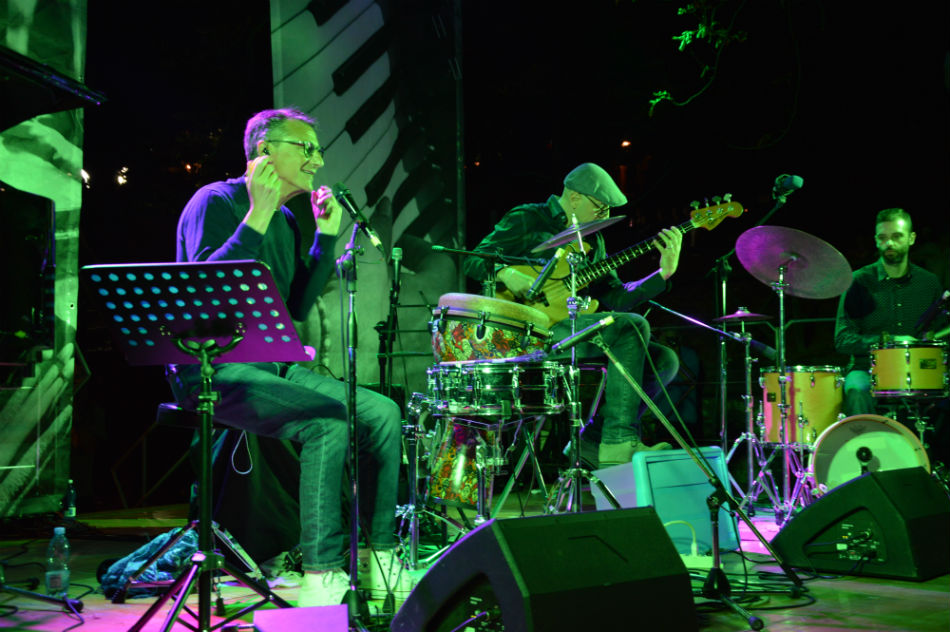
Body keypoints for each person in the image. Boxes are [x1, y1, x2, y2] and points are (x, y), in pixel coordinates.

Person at [168, 107, 403, 607]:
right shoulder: (216, 200)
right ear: (265, 151)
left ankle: (377, 556)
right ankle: (321, 573)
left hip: (273, 366)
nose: (318, 160)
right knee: (326, 421)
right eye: (306, 148)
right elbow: (203, 292)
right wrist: (256, 215)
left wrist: (325, 238)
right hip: (214, 370)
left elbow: (295, 306)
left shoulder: (287, 220)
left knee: (384, 412)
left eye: (318, 150)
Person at [463, 163, 683, 466]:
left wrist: (662, 274)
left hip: (569, 325)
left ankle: (593, 440)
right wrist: (506, 272)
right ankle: (618, 441)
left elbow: (616, 297)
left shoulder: (594, 240)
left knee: (664, 359)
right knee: (631, 326)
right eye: (600, 206)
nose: (605, 215)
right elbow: (474, 259)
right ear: (575, 197)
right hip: (527, 329)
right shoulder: (528, 218)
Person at [834, 207, 946, 417]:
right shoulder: (858, 281)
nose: (889, 243)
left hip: (918, 368)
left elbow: (939, 334)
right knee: (856, 391)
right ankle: (865, 438)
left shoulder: (929, 283)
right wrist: (891, 341)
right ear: (876, 240)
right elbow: (842, 340)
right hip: (867, 367)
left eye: (897, 236)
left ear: (911, 238)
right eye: (883, 238)